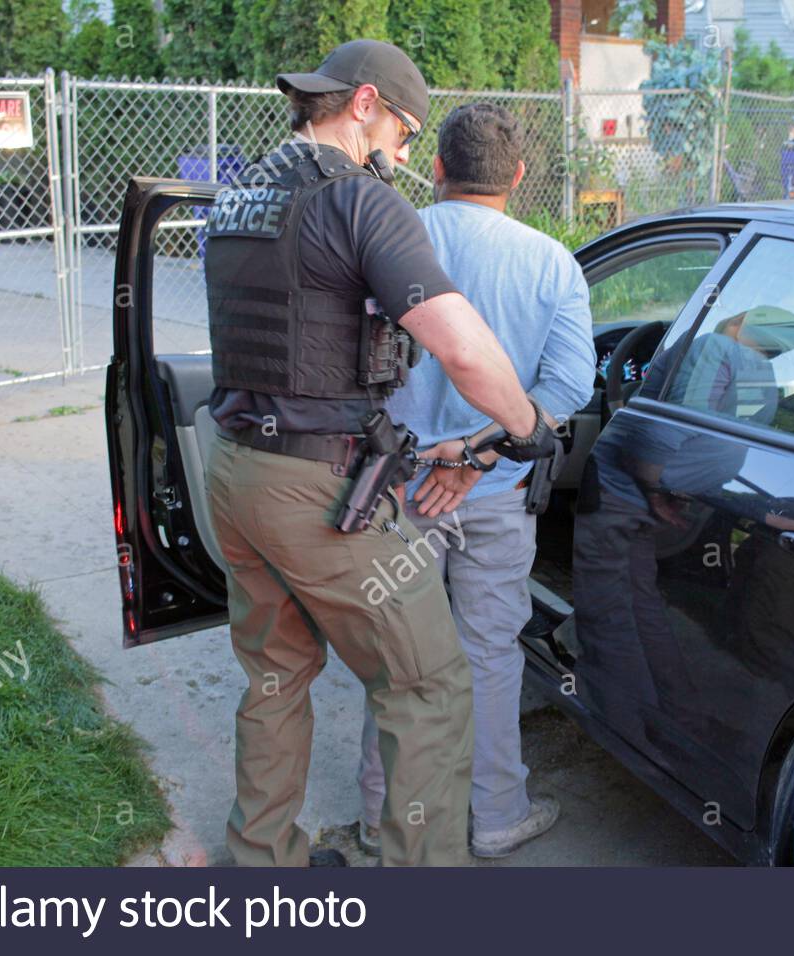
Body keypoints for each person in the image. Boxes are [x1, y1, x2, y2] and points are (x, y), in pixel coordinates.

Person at [201, 40, 554, 867]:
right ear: (363, 103)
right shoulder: (359, 202)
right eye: (401, 129)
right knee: (428, 686)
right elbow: (462, 349)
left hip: (235, 471)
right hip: (319, 490)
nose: (404, 153)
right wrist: (530, 427)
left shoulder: (242, 193)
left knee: (276, 679)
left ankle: (264, 866)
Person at [354, 102, 595, 859]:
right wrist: (485, 452)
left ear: (435, 169)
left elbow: (347, 373)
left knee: (395, 659)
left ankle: (378, 817)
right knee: (492, 655)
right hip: (497, 495)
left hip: (396, 493)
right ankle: (496, 815)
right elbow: (569, 386)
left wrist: (439, 454)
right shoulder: (552, 262)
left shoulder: (388, 240)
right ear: (518, 176)